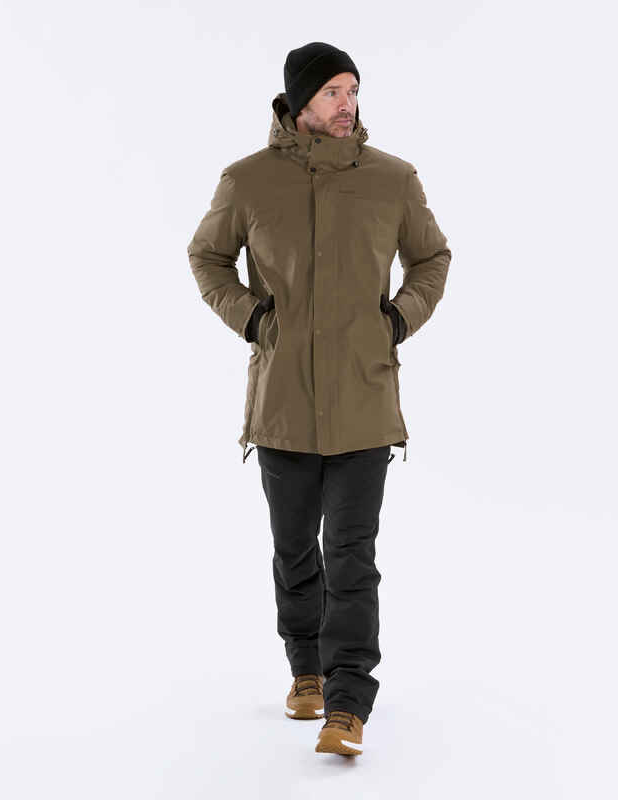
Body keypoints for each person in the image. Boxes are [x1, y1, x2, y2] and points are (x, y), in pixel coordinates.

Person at [187, 41, 452, 756]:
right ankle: (304, 670)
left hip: (364, 400)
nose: (348, 105)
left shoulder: (393, 179)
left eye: (354, 91)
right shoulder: (247, 180)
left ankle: (347, 703)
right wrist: (252, 319)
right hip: (282, 404)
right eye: (333, 91)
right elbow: (206, 256)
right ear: (299, 100)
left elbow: (432, 257)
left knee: (352, 554)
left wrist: (397, 320)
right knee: (295, 550)